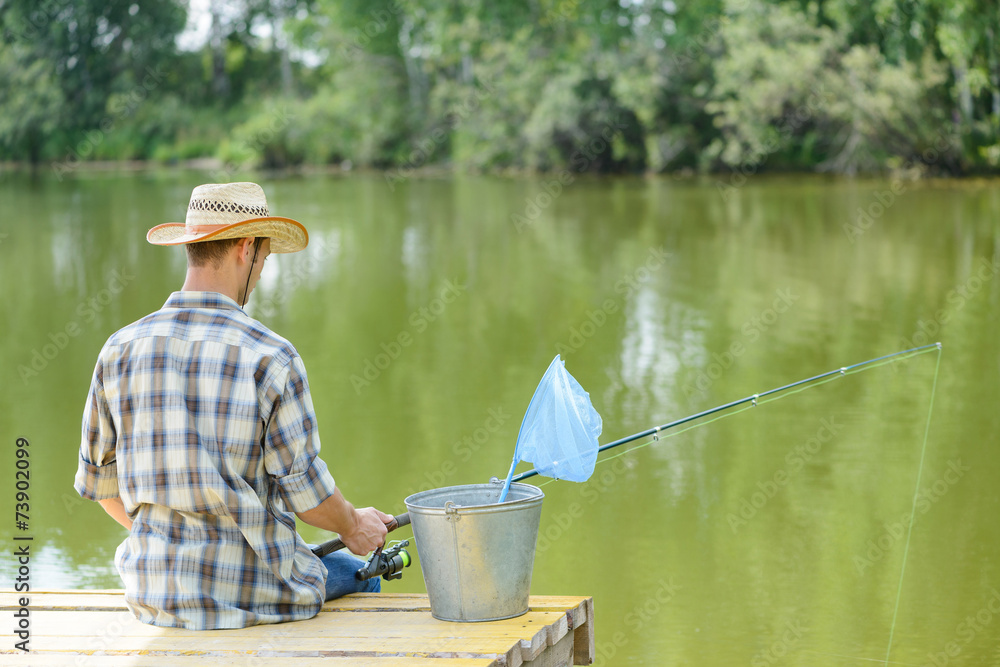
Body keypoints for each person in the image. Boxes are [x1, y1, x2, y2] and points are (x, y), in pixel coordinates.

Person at [74, 182, 392, 630]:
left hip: (153, 595)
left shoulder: (118, 350)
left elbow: (101, 486)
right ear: (246, 248)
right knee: (366, 578)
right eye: (264, 258)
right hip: (257, 593)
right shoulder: (270, 356)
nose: (261, 273)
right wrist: (353, 525)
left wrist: (173, 543)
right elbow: (309, 498)